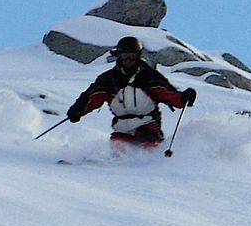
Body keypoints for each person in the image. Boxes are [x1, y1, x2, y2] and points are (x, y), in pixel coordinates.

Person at [66, 36, 197, 150]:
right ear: (118, 56)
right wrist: (78, 110)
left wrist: (183, 98)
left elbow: (167, 93)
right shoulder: (108, 79)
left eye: (132, 56)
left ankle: (153, 166)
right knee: (120, 148)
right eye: (124, 56)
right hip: (122, 128)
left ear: (139, 56)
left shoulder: (148, 76)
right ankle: (109, 169)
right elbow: (91, 97)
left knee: (147, 144)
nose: (128, 60)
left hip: (147, 124)